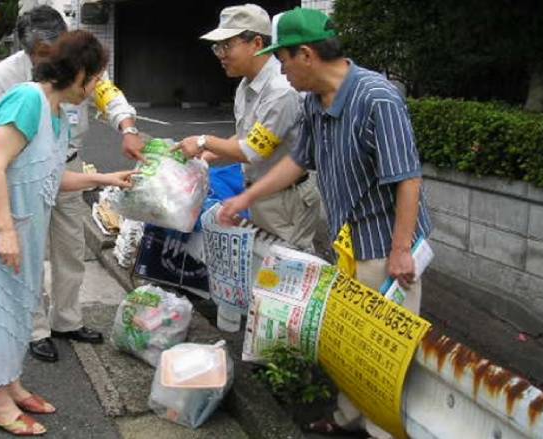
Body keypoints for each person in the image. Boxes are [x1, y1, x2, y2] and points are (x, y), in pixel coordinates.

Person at [218, 8, 432, 438]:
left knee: (381, 354)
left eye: (284, 60)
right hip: (348, 242)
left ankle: (380, 430)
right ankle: (346, 418)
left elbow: (407, 178)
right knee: (350, 344)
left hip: (385, 248)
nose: (281, 69)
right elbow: (299, 161)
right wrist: (247, 196)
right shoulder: (314, 102)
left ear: (308, 55)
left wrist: (401, 251)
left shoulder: (378, 98)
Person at [0, 30, 135, 436]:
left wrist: (109, 177)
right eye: (95, 77)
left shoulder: (57, 114)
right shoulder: (28, 99)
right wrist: (4, 231)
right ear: (78, 73)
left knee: (16, 300)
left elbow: (51, 175)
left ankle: (11, 384)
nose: (96, 87)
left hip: (16, 217)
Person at [0, 5, 146, 364]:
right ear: (26, 50)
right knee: (29, 253)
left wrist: (127, 128)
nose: (50, 66)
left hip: (68, 167)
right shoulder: (2, 80)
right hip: (21, 175)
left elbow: (109, 95)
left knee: (70, 247)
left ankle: (66, 319)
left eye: (55, 55)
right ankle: (34, 329)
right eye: (40, 56)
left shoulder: (80, 65)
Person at [173, 3, 321, 252]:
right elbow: (248, 135)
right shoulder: (245, 86)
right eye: (217, 47)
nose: (220, 54)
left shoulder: (280, 90)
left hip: (287, 200)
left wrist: (203, 141)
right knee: (265, 269)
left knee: (287, 271)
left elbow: (254, 149)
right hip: (263, 195)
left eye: (227, 45)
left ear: (257, 43)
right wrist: (207, 155)